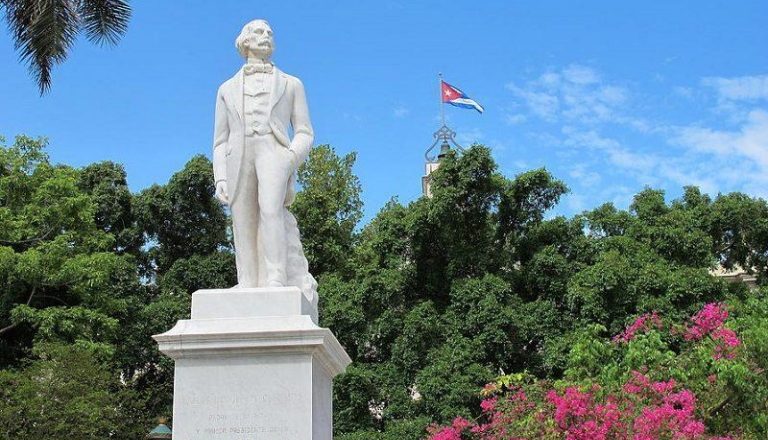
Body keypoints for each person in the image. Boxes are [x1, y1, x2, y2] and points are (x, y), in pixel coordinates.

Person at [212, 19, 314, 290]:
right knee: (242, 218)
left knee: (271, 212)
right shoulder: (225, 89)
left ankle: (276, 278)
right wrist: (220, 177)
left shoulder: (292, 84)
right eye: (259, 32)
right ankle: (246, 281)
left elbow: (305, 131)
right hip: (238, 155)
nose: (266, 36)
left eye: (270, 32)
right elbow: (220, 141)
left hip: (273, 151)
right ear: (244, 40)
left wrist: (291, 157)